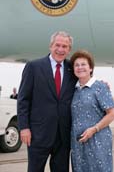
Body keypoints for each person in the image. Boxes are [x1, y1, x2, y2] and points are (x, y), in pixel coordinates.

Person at [17, 31, 77, 172]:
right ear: (50, 46)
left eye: (65, 46)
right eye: (57, 45)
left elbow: (85, 81)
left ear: (69, 50)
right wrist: (24, 127)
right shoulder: (33, 67)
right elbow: (23, 100)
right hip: (38, 134)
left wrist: (100, 85)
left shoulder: (72, 69)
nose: (60, 49)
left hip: (63, 135)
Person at [70, 50, 114, 172]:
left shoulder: (100, 86)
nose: (80, 67)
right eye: (76, 65)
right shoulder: (72, 89)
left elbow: (112, 114)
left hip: (98, 139)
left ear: (90, 68)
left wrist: (94, 129)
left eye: (83, 64)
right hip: (78, 143)